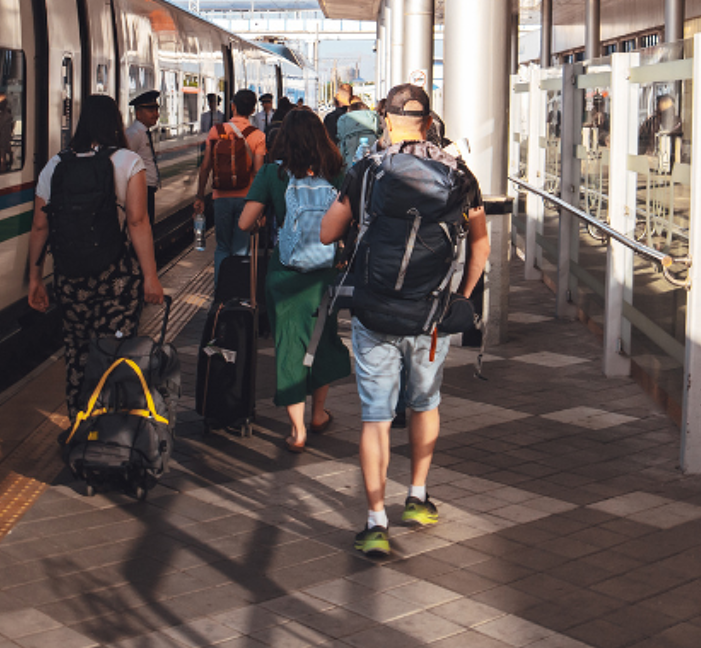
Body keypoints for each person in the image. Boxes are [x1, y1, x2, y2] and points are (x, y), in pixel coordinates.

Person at [319, 83, 488, 558]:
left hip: (374, 312)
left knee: (375, 417)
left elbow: (328, 230)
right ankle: (416, 497)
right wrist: (462, 297)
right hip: (432, 314)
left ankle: (375, 522)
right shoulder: (459, 175)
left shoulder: (367, 170)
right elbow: (480, 245)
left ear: (385, 120)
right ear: (429, 122)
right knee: (424, 403)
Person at [26, 95, 167, 403]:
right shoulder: (129, 162)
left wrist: (35, 278)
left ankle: (80, 425)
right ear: (115, 123)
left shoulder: (56, 164)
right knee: (115, 351)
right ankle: (110, 430)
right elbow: (138, 222)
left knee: (77, 351)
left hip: (70, 276)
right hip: (115, 276)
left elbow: (39, 226)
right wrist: (151, 277)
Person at [238, 109, 351, 453]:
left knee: (289, 346)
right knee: (320, 341)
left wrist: (266, 217)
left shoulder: (273, 173)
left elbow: (244, 223)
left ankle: (297, 431)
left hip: (285, 275)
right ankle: (318, 415)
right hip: (324, 274)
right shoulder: (338, 173)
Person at [193, 89, 267, 268]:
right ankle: (239, 293)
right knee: (241, 248)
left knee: (222, 247)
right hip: (246, 198)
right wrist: (260, 205)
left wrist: (200, 195)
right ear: (252, 110)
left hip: (221, 197)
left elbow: (205, 167)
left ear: (232, 107)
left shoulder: (215, 131)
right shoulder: (258, 136)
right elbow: (258, 172)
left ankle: (221, 292)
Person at [125, 90, 163, 222]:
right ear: (138, 113)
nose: (156, 115)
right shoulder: (134, 134)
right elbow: (126, 164)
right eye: (151, 111)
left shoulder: (143, 132)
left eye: (157, 110)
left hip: (147, 190)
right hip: (140, 191)